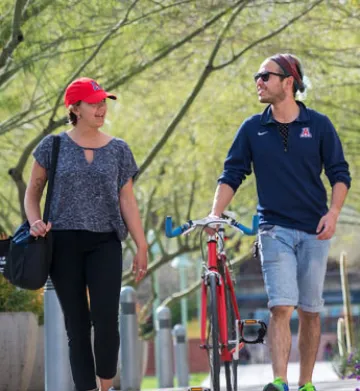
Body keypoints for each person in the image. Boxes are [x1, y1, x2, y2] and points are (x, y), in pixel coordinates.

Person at [209, 54, 351, 391]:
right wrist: (215, 214)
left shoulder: (318, 125)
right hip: (274, 229)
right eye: (257, 77)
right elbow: (232, 174)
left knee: (311, 310)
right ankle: (280, 382)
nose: (258, 81)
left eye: (265, 76)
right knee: (281, 305)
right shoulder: (252, 128)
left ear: (288, 82)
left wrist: (333, 214)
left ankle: (305, 384)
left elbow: (340, 175)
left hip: (315, 232)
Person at [24, 77, 148, 391]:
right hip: (62, 242)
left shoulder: (119, 149)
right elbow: (32, 194)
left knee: (106, 320)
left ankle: (105, 386)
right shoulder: (52, 146)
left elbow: (127, 200)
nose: (101, 108)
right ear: (75, 108)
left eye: (103, 102)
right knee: (76, 327)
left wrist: (142, 244)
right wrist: (35, 221)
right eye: (94, 103)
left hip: (105, 241)